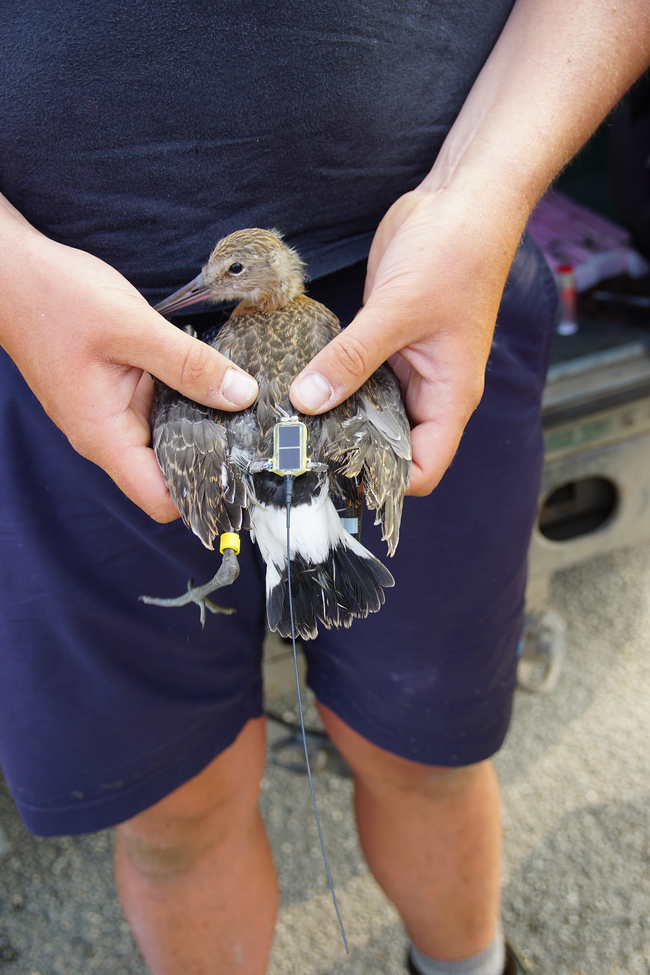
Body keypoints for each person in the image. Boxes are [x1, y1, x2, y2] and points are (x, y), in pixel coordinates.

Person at [0, 2, 648, 974]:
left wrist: (482, 193)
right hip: (50, 320)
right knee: (171, 805)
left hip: (425, 283)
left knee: (423, 745)